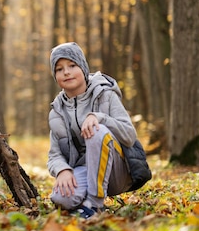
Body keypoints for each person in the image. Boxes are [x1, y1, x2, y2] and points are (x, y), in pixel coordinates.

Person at [47, 42, 137, 219]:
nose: (66, 72)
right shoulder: (56, 111)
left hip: (115, 172)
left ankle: (94, 205)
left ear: (83, 66)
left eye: (72, 65)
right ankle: (84, 203)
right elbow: (54, 154)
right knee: (60, 198)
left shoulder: (105, 94)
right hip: (84, 169)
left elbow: (129, 135)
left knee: (97, 130)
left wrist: (99, 117)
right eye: (59, 69)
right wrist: (62, 170)